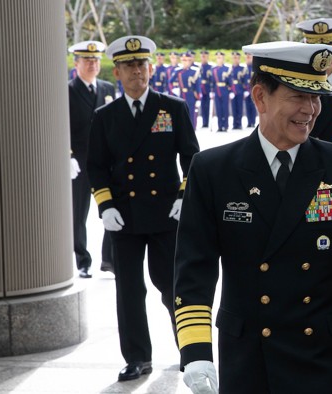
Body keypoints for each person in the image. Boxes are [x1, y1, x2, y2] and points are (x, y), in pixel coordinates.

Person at [174, 41, 332, 394]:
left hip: (323, 351)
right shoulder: (214, 170)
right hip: (250, 353)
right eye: (298, 97)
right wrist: (195, 349)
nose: (311, 109)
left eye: (316, 97)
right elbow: (194, 267)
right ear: (260, 97)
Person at [87, 35, 200, 382]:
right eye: (129, 66)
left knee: (173, 287)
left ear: (151, 68)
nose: (137, 71)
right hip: (124, 217)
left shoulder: (172, 107)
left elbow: (192, 158)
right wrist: (105, 205)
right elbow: (97, 166)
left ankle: (190, 351)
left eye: (142, 65)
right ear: (117, 73)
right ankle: (137, 357)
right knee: (130, 291)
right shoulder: (106, 116)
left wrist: (184, 198)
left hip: (166, 215)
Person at [67, 40, 116, 278]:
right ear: (76, 64)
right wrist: (68, 156)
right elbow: (60, 126)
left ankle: (109, 259)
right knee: (78, 213)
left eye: (96, 60)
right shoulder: (66, 90)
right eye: (87, 60)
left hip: (105, 161)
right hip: (79, 161)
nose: (92, 64)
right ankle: (82, 260)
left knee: (112, 207)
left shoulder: (107, 89)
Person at [176, 51, 201, 127]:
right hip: (181, 94)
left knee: (191, 112)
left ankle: (192, 128)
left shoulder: (194, 71)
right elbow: (170, 81)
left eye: (188, 60)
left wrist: (198, 99)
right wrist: (175, 89)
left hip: (191, 94)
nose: (186, 62)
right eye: (184, 60)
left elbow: (197, 86)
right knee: (181, 112)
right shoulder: (178, 71)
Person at [209, 51, 231, 132]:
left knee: (225, 108)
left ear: (223, 58)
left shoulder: (227, 68)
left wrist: (231, 91)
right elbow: (212, 81)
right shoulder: (213, 69)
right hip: (216, 89)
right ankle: (219, 126)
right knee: (218, 109)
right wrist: (211, 91)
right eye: (217, 57)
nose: (219, 59)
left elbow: (230, 81)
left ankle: (226, 126)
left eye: (220, 57)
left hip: (225, 89)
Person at [229, 51, 245, 129]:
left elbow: (245, 80)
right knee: (233, 107)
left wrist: (246, 90)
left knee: (240, 107)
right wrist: (229, 90)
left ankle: (239, 123)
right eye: (234, 58)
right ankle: (234, 124)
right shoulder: (229, 68)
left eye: (237, 58)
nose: (236, 60)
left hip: (240, 89)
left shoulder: (242, 68)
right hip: (232, 90)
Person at [198, 50, 213, 129]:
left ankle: (207, 122)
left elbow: (212, 79)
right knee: (202, 106)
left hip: (207, 88)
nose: (203, 58)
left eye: (205, 56)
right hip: (200, 88)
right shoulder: (198, 67)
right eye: (202, 56)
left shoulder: (210, 67)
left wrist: (212, 90)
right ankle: (204, 122)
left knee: (208, 105)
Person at [242, 52, 258, 128]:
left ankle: (253, 122)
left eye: (249, 57)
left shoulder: (254, 68)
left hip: (252, 89)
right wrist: (244, 89)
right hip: (246, 90)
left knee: (253, 106)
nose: (248, 59)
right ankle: (249, 122)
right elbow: (242, 80)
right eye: (247, 57)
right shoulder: (244, 69)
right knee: (247, 106)